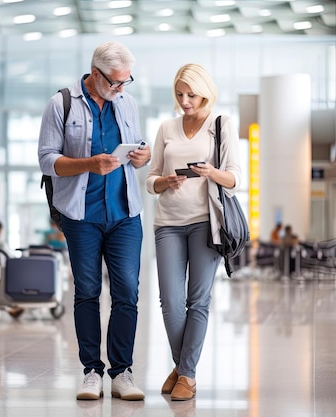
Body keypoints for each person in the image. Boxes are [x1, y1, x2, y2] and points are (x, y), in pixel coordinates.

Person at [38, 41, 151, 401]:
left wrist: (142, 155)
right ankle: (91, 371)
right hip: (81, 216)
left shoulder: (127, 103)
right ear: (95, 73)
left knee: (127, 294)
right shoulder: (61, 103)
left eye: (124, 82)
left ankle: (122, 372)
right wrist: (89, 163)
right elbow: (46, 160)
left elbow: (137, 150)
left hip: (124, 214)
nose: (120, 89)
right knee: (87, 292)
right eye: (115, 82)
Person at [145, 63, 241, 401]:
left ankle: (186, 374)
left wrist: (211, 172)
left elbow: (235, 179)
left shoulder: (221, 125)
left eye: (191, 94)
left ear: (205, 92)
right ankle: (184, 366)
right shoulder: (166, 127)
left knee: (197, 300)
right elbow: (150, 178)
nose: (185, 101)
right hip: (168, 223)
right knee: (170, 302)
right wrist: (164, 182)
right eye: (180, 94)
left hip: (207, 223)